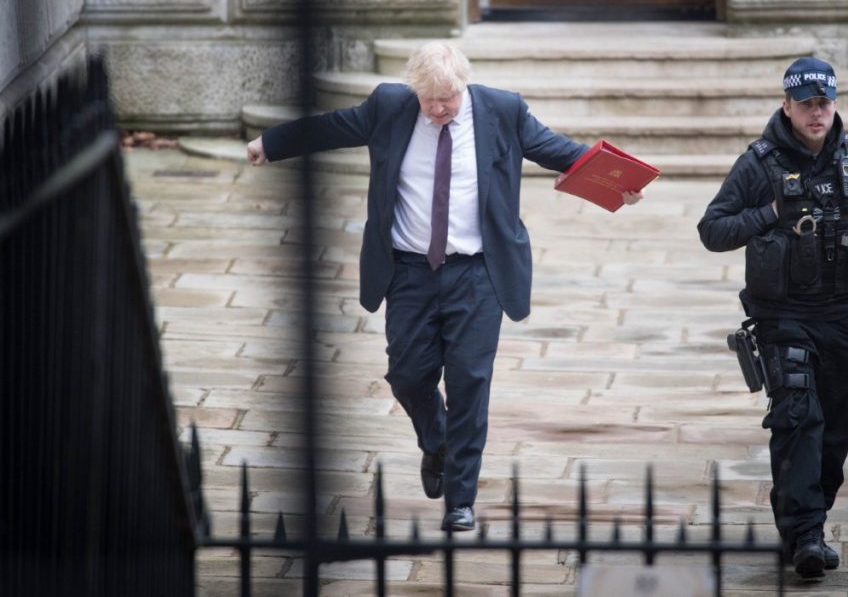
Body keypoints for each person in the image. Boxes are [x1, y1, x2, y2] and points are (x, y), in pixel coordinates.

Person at [247, 41, 642, 532]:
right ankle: (437, 442)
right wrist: (272, 142)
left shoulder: (502, 110)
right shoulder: (389, 107)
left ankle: (460, 499)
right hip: (409, 271)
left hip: (477, 273)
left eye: (447, 99)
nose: (438, 108)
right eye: (429, 99)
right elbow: (330, 127)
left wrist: (617, 180)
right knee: (408, 374)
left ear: (463, 86)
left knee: (469, 384)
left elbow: (557, 150)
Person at [697, 57, 848, 579]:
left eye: (824, 102)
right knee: (799, 418)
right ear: (787, 106)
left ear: (834, 103)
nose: (816, 112)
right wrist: (770, 214)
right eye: (806, 104)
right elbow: (713, 229)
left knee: (841, 423)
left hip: (844, 318)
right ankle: (804, 534)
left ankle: (811, 518)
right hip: (782, 318)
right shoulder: (758, 163)